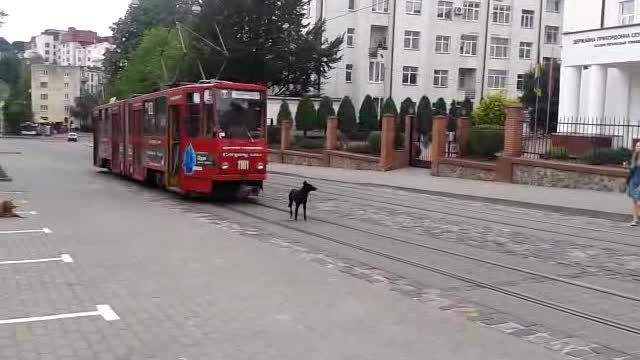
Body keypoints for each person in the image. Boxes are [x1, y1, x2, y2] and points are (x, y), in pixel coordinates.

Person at [627, 142, 640, 226]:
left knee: (639, 202)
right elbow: (632, 170)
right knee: (635, 201)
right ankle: (635, 220)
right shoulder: (634, 157)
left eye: (639, 146)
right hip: (633, 181)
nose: (638, 147)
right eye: (637, 146)